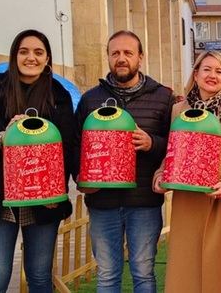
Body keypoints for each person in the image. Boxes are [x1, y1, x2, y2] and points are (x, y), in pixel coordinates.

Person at [0, 29, 78, 293]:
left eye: (38, 52)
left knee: (40, 278)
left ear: (47, 58)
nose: (31, 58)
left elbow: (68, 145)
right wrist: (2, 137)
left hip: (44, 201)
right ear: (14, 55)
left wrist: (59, 190)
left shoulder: (58, 94)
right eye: (24, 51)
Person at [75, 30, 173, 293]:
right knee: (107, 275)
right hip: (102, 202)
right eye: (115, 53)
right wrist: (80, 180)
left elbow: (175, 146)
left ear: (140, 58)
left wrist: (152, 143)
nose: (121, 58)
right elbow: (76, 146)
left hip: (144, 202)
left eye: (128, 53)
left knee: (143, 273)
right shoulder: (90, 100)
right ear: (107, 57)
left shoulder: (163, 97)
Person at [153, 51, 221, 293]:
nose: (213, 75)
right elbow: (172, 153)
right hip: (187, 202)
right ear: (196, 74)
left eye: (219, 71)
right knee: (186, 271)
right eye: (207, 69)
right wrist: (160, 176)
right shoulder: (178, 110)